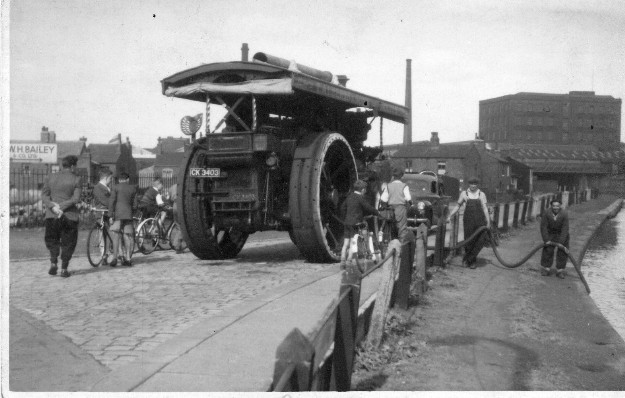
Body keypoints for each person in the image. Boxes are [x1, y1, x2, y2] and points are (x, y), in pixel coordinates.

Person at [41, 155, 82, 278]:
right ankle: (64, 268)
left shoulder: (50, 177)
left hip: (52, 215)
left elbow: (44, 195)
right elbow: (76, 199)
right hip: (69, 216)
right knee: (68, 242)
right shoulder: (76, 179)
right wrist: (62, 207)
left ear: (62, 165)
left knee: (52, 239)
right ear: (73, 166)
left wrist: (53, 207)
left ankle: (53, 263)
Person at [447, 176, 490, 269]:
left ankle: (470, 260)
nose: (473, 186)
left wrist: (488, 222)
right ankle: (469, 261)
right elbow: (457, 206)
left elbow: (485, 209)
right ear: (469, 184)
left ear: (477, 185)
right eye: (471, 184)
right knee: (468, 240)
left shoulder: (481, 194)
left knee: (480, 240)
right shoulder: (464, 194)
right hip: (468, 220)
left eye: (475, 184)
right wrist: (450, 215)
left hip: (480, 221)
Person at [340, 179, 382, 269]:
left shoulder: (349, 197)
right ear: (362, 190)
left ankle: (342, 261)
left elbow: (342, 208)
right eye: (365, 190)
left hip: (347, 222)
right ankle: (348, 261)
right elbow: (368, 208)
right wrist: (377, 212)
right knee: (352, 242)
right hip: (355, 223)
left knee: (345, 243)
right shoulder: (360, 198)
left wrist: (346, 217)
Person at [109, 172, 138, 267]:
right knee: (127, 236)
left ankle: (114, 258)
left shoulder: (115, 187)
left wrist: (110, 214)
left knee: (116, 235)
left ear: (119, 179)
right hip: (128, 214)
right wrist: (132, 212)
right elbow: (135, 204)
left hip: (118, 214)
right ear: (127, 179)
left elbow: (112, 201)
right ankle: (128, 258)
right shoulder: (132, 188)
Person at [380, 167, 412, 243]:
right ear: (401, 176)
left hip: (390, 209)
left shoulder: (388, 186)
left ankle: (391, 244)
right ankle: (401, 246)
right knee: (402, 229)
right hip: (401, 209)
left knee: (391, 228)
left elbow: (383, 199)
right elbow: (408, 199)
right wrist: (409, 205)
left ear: (393, 176)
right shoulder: (404, 186)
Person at [540, 199, 569, 279]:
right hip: (550, 234)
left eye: (557, 206)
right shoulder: (546, 212)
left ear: (560, 206)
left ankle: (560, 271)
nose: (555, 207)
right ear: (551, 206)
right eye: (554, 206)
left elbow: (565, 228)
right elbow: (543, 227)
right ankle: (546, 269)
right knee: (548, 250)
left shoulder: (564, 213)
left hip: (561, 234)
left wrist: (561, 242)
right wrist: (546, 239)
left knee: (562, 252)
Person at [92, 168, 113, 265]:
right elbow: (105, 201)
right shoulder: (98, 188)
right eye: (110, 178)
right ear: (106, 178)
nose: (111, 180)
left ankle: (108, 253)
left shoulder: (107, 187)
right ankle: (104, 256)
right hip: (102, 213)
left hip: (108, 213)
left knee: (108, 234)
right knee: (102, 235)